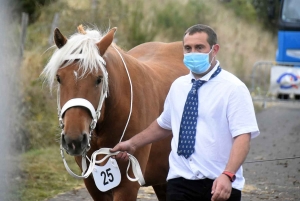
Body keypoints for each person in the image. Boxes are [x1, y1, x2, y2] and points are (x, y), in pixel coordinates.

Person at [110, 24, 260, 201]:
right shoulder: (179, 86)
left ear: (215, 49)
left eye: (199, 48)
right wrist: (132, 143)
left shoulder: (234, 88)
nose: (193, 53)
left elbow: (242, 137)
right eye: (188, 48)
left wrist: (228, 175)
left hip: (219, 184)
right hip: (180, 181)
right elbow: (164, 125)